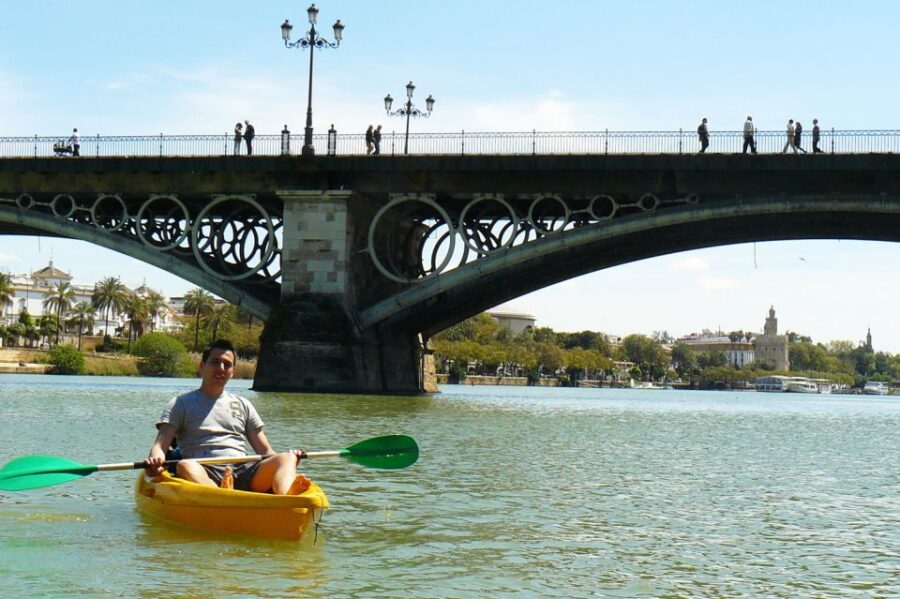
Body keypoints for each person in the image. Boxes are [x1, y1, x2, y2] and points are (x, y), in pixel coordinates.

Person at [145, 339, 310, 495]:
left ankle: (288, 495)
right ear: (202, 366)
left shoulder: (243, 404)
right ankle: (222, 493)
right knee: (185, 465)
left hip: (242, 470)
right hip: (203, 470)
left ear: (232, 373)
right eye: (215, 362)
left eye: (227, 364)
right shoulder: (180, 403)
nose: (221, 368)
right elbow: (160, 446)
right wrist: (155, 461)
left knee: (286, 457)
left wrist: (290, 462)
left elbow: (266, 452)